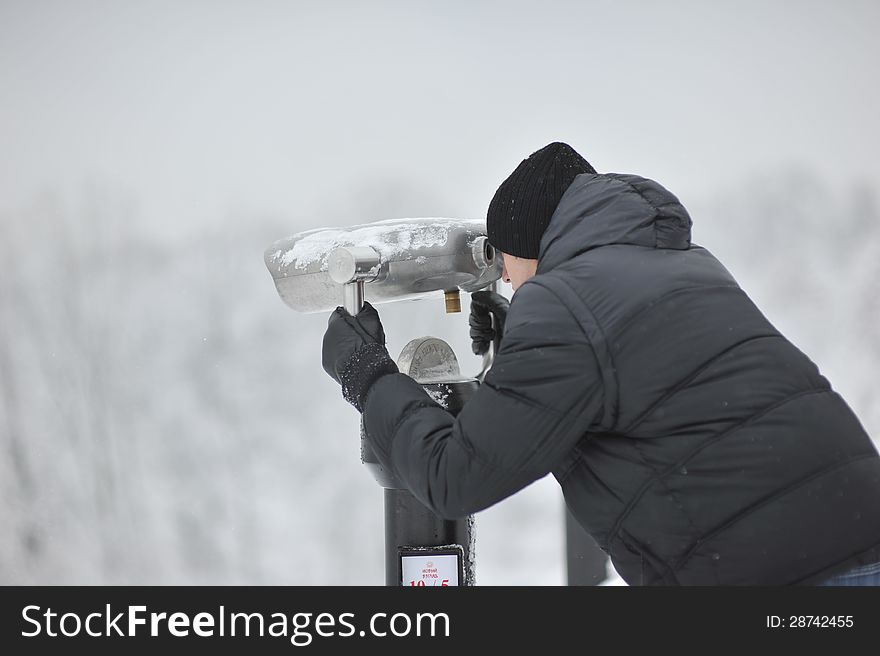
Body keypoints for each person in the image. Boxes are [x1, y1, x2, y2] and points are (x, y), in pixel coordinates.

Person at [321, 142, 880, 585]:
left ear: (524, 246)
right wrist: (521, 339)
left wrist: (369, 376)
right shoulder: (684, 264)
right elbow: (638, 376)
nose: (507, 281)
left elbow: (454, 477)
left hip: (780, 576)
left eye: (505, 264)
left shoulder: (560, 304)